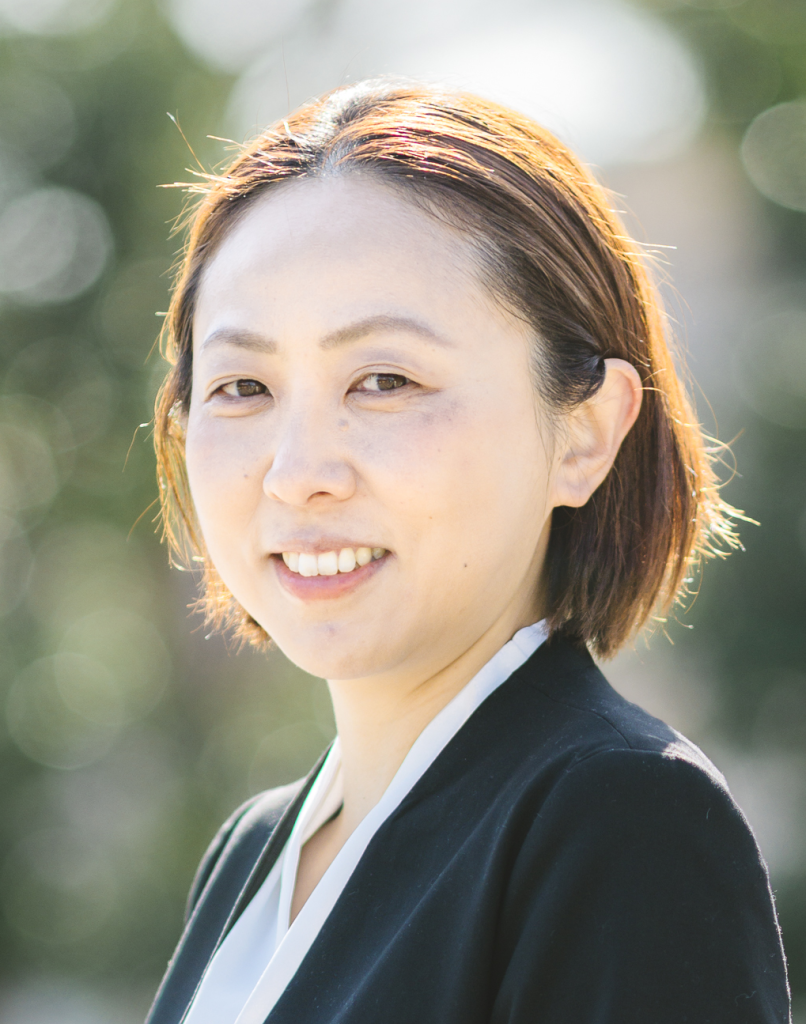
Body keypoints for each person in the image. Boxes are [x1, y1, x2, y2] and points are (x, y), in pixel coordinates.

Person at [145, 81, 790, 1024]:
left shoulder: (621, 820)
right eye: (242, 387)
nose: (297, 474)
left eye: (385, 379)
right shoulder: (254, 850)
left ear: (585, 433)